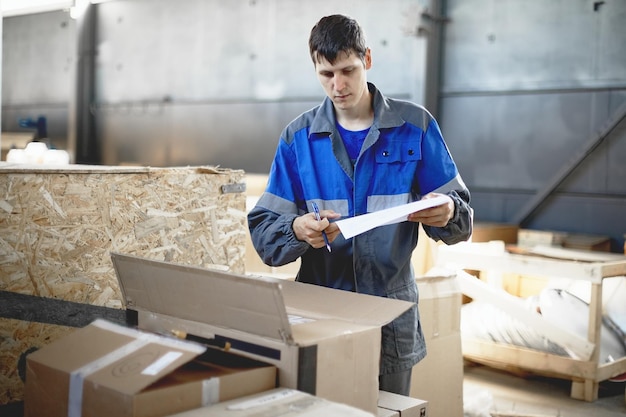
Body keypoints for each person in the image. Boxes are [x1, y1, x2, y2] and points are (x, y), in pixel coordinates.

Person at [247, 14, 473, 396]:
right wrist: (296, 229)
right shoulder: (298, 140)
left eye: (348, 70)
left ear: (367, 59)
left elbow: (462, 217)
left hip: (391, 315)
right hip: (321, 312)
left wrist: (448, 212)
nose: (338, 85)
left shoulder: (414, 127)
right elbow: (266, 233)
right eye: (326, 74)